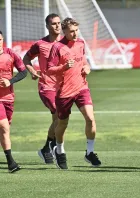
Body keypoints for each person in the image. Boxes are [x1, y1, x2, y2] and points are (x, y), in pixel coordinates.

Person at [47, 17, 101, 169]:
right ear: (64, 32)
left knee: (90, 119)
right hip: (64, 92)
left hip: (82, 88)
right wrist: (63, 67)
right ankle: (59, 150)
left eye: (77, 30)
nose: (75, 34)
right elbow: (49, 69)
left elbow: (83, 60)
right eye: (72, 31)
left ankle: (89, 152)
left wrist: (87, 67)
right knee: (62, 123)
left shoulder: (81, 43)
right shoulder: (57, 47)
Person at [23, 13, 62, 164]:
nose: (57, 26)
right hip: (46, 86)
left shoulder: (66, 44)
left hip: (63, 87)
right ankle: (53, 148)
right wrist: (32, 71)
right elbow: (26, 58)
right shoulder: (40, 44)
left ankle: (46, 148)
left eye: (59, 23)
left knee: (58, 119)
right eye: (54, 23)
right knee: (59, 114)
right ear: (47, 26)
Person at [0, 31, 27, 172]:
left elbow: (23, 72)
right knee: (3, 126)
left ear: (2, 39)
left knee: (5, 129)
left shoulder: (10, 54)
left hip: (8, 98)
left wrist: (9, 81)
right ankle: (11, 163)